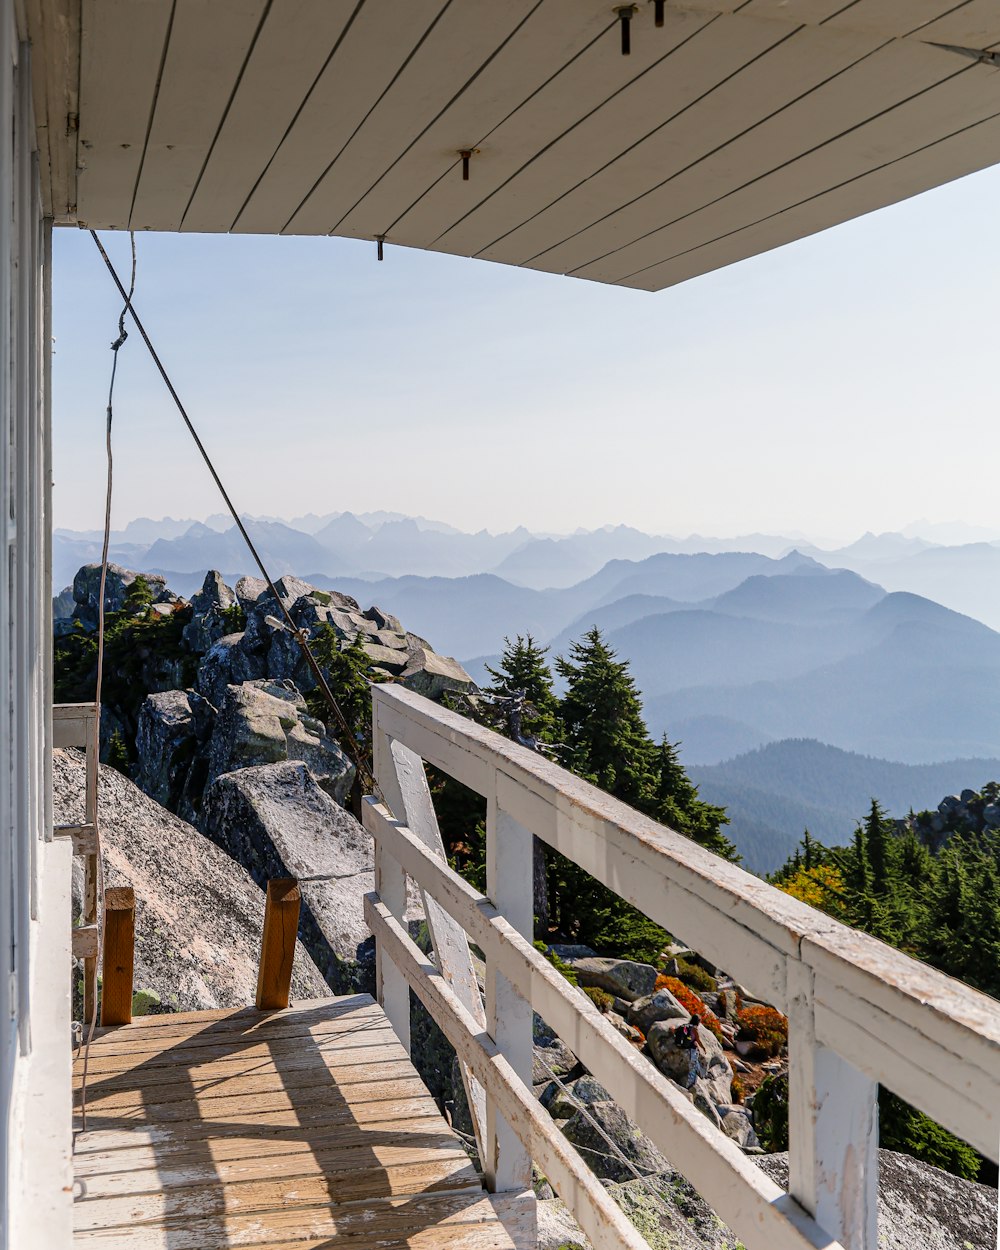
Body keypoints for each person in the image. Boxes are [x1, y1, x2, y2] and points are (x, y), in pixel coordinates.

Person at [673, 1014, 707, 1089]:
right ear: (698, 1021)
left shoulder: (686, 1026)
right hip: (691, 1051)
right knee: (692, 1069)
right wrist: (703, 1048)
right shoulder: (694, 1028)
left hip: (684, 1048)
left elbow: (674, 1030)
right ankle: (689, 1087)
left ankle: (698, 1077)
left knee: (695, 1066)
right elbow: (698, 1040)